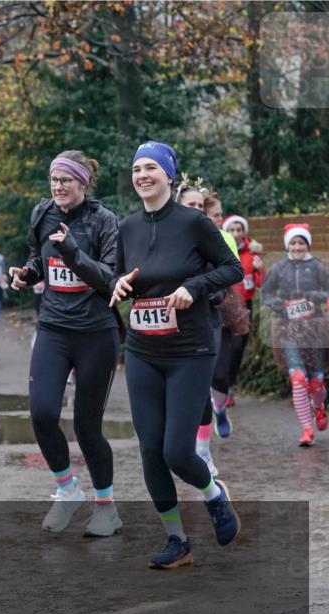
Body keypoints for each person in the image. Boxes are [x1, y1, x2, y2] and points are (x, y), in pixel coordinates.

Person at [109, 141, 243, 569]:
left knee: (177, 452)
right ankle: (176, 541)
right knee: (150, 450)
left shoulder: (194, 223)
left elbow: (233, 268)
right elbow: (119, 274)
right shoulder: (127, 227)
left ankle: (213, 495)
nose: (143, 175)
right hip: (144, 350)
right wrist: (117, 286)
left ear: (169, 175)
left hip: (190, 350)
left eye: (151, 167)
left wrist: (194, 287)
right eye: (136, 169)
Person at [8, 150, 123, 537]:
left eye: (66, 180)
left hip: (96, 332)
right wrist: (28, 273)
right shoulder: (43, 213)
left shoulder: (104, 221)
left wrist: (73, 252)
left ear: (83, 183)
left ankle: (106, 507)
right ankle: (67, 489)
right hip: (54, 328)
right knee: (41, 414)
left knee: (87, 426)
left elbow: (110, 278)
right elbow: (38, 257)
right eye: (54, 180)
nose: (58, 187)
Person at [174, 184, 239, 475]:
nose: (197, 211)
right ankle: (176, 445)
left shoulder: (212, 238)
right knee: (175, 388)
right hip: (170, 323)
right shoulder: (163, 238)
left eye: (201, 206)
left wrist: (205, 294)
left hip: (206, 319)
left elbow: (226, 276)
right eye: (191, 205)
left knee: (205, 383)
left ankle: (202, 449)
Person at [262, 224, 329, 446]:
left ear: (307, 244)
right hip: (288, 329)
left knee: (317, 380)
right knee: (298, 378)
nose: (297, 247)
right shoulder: (280, 268)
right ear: (287, 245)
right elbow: (267, 294)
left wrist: (314, 297)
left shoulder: (318, 267)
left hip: (315, 329)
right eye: (293, 243)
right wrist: (283, 306)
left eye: (301, 243)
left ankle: (319, 408)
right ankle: (307, 429)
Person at [220, 215, 264, 407]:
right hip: (224, 304)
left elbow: (261, 283)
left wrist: (260, 269)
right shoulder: (221, 250)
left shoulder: (252, 253)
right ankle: (218, 387)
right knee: (222, 348)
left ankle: (228, 386)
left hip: (245, 306)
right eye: (232, 230)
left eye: (239, 229)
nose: (236, 233)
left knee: (237, 349)